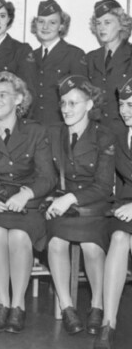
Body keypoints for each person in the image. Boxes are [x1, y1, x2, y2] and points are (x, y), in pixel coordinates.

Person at [0, 71, 55, 334]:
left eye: (3, 95)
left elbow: (47, 177)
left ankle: (18, 305)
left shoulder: (36, 131)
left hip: (26, 205)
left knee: (19, 237)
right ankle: (2, 304)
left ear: (19, 99)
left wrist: (26, 194)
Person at [45, 75, 114, 336]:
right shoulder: (53, 133)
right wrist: (52, 199)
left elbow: (104, 186)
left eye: (74, 103)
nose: (66, 109)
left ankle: (97, 305)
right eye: (63, 103)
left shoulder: (104, 136)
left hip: (92, 206)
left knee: (91, 247)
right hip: (60, 207)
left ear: (89, 105)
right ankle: (67, 306)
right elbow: (45, 174)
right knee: (56, 244)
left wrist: (71, 199)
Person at [93, 78, 132, 348]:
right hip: (126, 204)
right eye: (122, 104)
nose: (125, 110)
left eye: (131, 104)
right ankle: (108, 323)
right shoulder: (118, 134)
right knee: (118, 238)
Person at [31, 0, 87, 124]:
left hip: (60, 127)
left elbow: (81, 98)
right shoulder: (31, 56)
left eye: (52, 22)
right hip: (32, 128)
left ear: (61, 26)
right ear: (36, 24)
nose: (45, 27)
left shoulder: (75, 54)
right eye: (41, 21)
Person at [86, 0, 132, 128]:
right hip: (97, 132)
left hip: (124, 132)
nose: (101, 28)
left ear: (121, 24)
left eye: (107, 22)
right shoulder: (90, 58)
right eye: (98, 23)